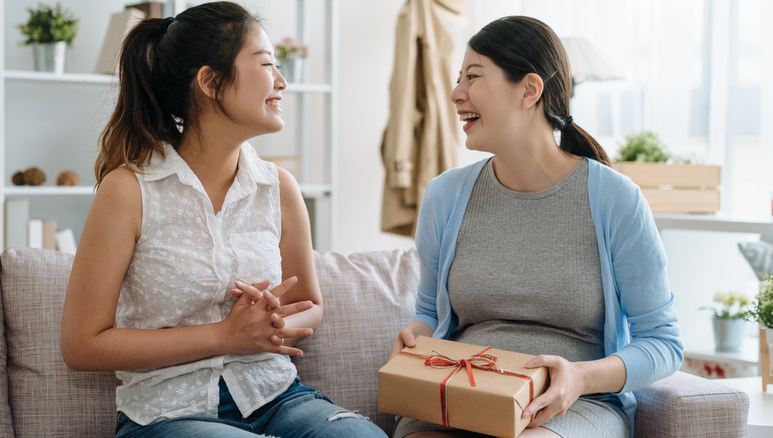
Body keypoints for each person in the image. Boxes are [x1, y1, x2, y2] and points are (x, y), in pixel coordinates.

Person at [60, 3, 386, 437]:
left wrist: (273, 325)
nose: (282, 82)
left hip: (276, 399)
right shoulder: (128, 191)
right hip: (169, 413)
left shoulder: (279, 188)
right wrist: (224, 335)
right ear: (211, 82)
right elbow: (82, 345)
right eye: (267, 65)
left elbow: (310, 306)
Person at [390, 16, 683, 438]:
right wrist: (415, 336)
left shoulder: (615, 199)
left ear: (529, 90)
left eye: (472, 77)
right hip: (461, 395)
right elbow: (426, 313)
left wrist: (580, 377)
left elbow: (663, 343)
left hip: (571, 406)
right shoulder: (445, 195)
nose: (456, 94)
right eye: (458, 79)